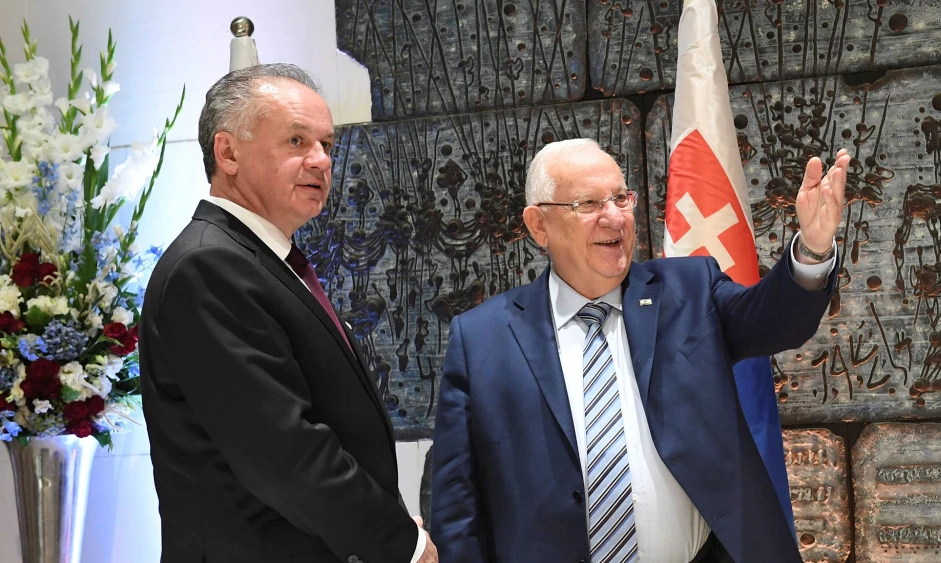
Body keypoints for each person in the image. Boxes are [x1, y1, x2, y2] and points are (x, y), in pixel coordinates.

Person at [430, 138, 850, 563]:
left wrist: (812, 249)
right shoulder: (483, 339)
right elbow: (457, 508)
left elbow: (775, 320)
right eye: (588, 203)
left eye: (620, 198)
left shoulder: (690, 290)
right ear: (539, 225)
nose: (614, 217)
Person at [140, 64, 437, 563]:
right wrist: (400, 544)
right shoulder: (209, 267)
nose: (321, 160)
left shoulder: (259, 259)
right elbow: (285, 453)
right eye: (297, 141)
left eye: (327, 144)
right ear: (228, 152)